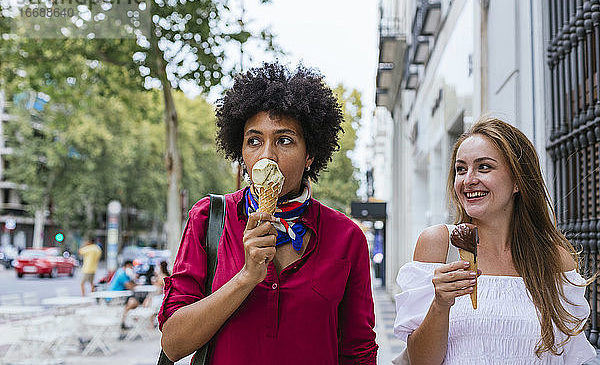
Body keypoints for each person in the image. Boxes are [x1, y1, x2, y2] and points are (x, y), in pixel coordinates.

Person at [158, 63, 378, 364]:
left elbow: (359, 350)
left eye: (284, 140)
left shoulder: (346, 236)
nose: (266, 156)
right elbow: (173, 344)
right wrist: (246, 277)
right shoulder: (208, 217)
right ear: (242, 153)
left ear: (310, 154)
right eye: (254, 141)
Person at [393, 117, 596, 364]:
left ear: (518, 181)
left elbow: (569, 355)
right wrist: (440, 303)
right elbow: (420, 361)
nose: (468, 180)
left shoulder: (554, 258)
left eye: (484, 167)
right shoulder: (441, 245)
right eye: (461, 169)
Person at [109, 260, 140, 329]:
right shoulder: (121, 273)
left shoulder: (123, 273)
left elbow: (131, 284)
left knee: (134, 302)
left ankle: (123, 320)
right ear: (127, 266)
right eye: (131, 267)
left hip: (121, 296)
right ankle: (122, 320)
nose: (132, 268)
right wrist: (134, 281)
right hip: (115, 298)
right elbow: (130, 286)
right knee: (134, 303)